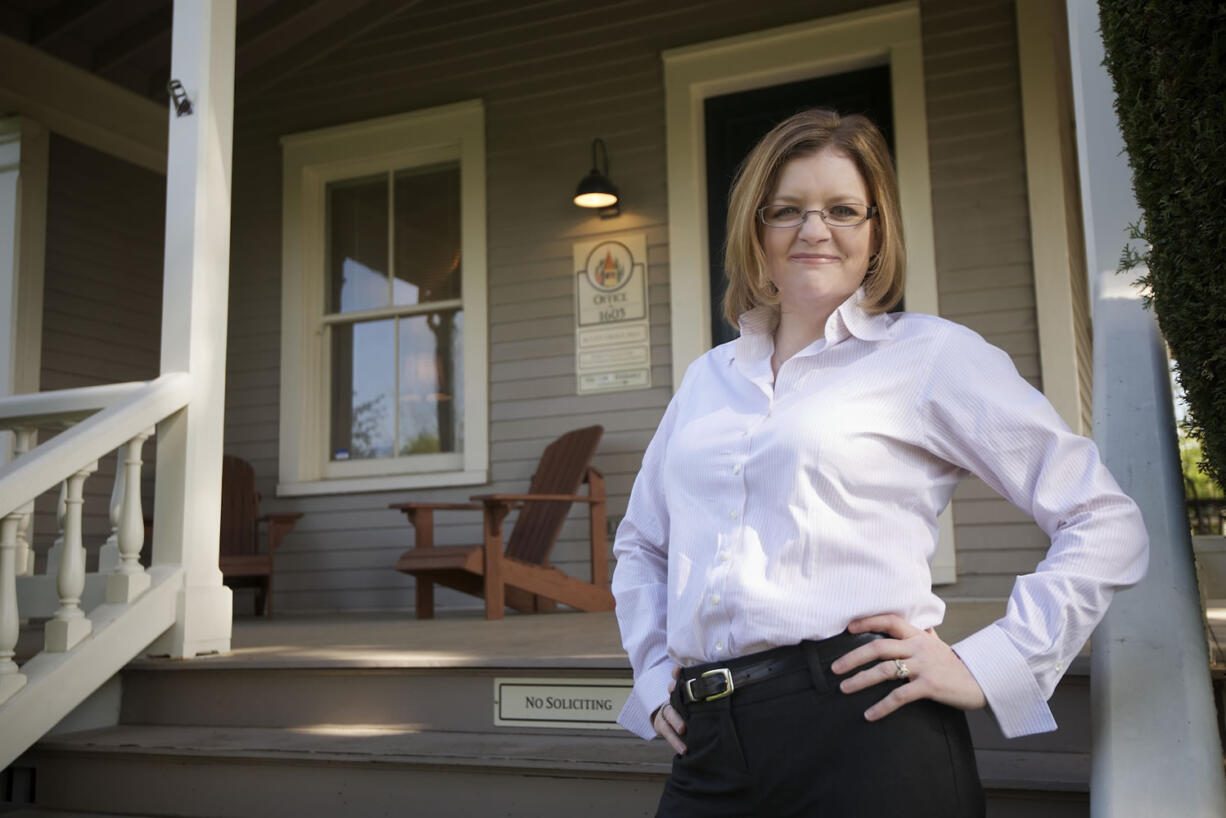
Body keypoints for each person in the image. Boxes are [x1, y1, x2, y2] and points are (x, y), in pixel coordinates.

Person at [610, 108, 1149, 817]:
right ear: (755, 228)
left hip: (864, 727)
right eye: (788, 210)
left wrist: (991, 662)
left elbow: (1103, 521)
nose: (814, 229)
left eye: (842, 209)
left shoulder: (929, 357)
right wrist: (652, 678)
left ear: (876, 230)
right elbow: (642, 541)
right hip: (708, 742)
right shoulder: (707, 379)